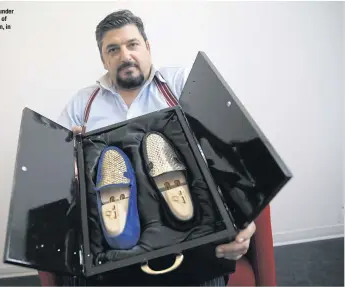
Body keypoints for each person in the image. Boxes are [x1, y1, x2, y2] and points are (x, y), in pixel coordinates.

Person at [58, 9, 256, 286]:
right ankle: (121, 230)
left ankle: (181, 216)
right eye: (113, 49)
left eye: (132, 44)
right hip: (113, 260)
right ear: (103, 59)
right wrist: (70, 155)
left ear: (148, 47)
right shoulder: (83, 104)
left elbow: (227, 152)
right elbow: (58, 177)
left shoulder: (181, 84)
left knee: (202, 269)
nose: (125, 56)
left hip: (191, 248)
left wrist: (245, 216)